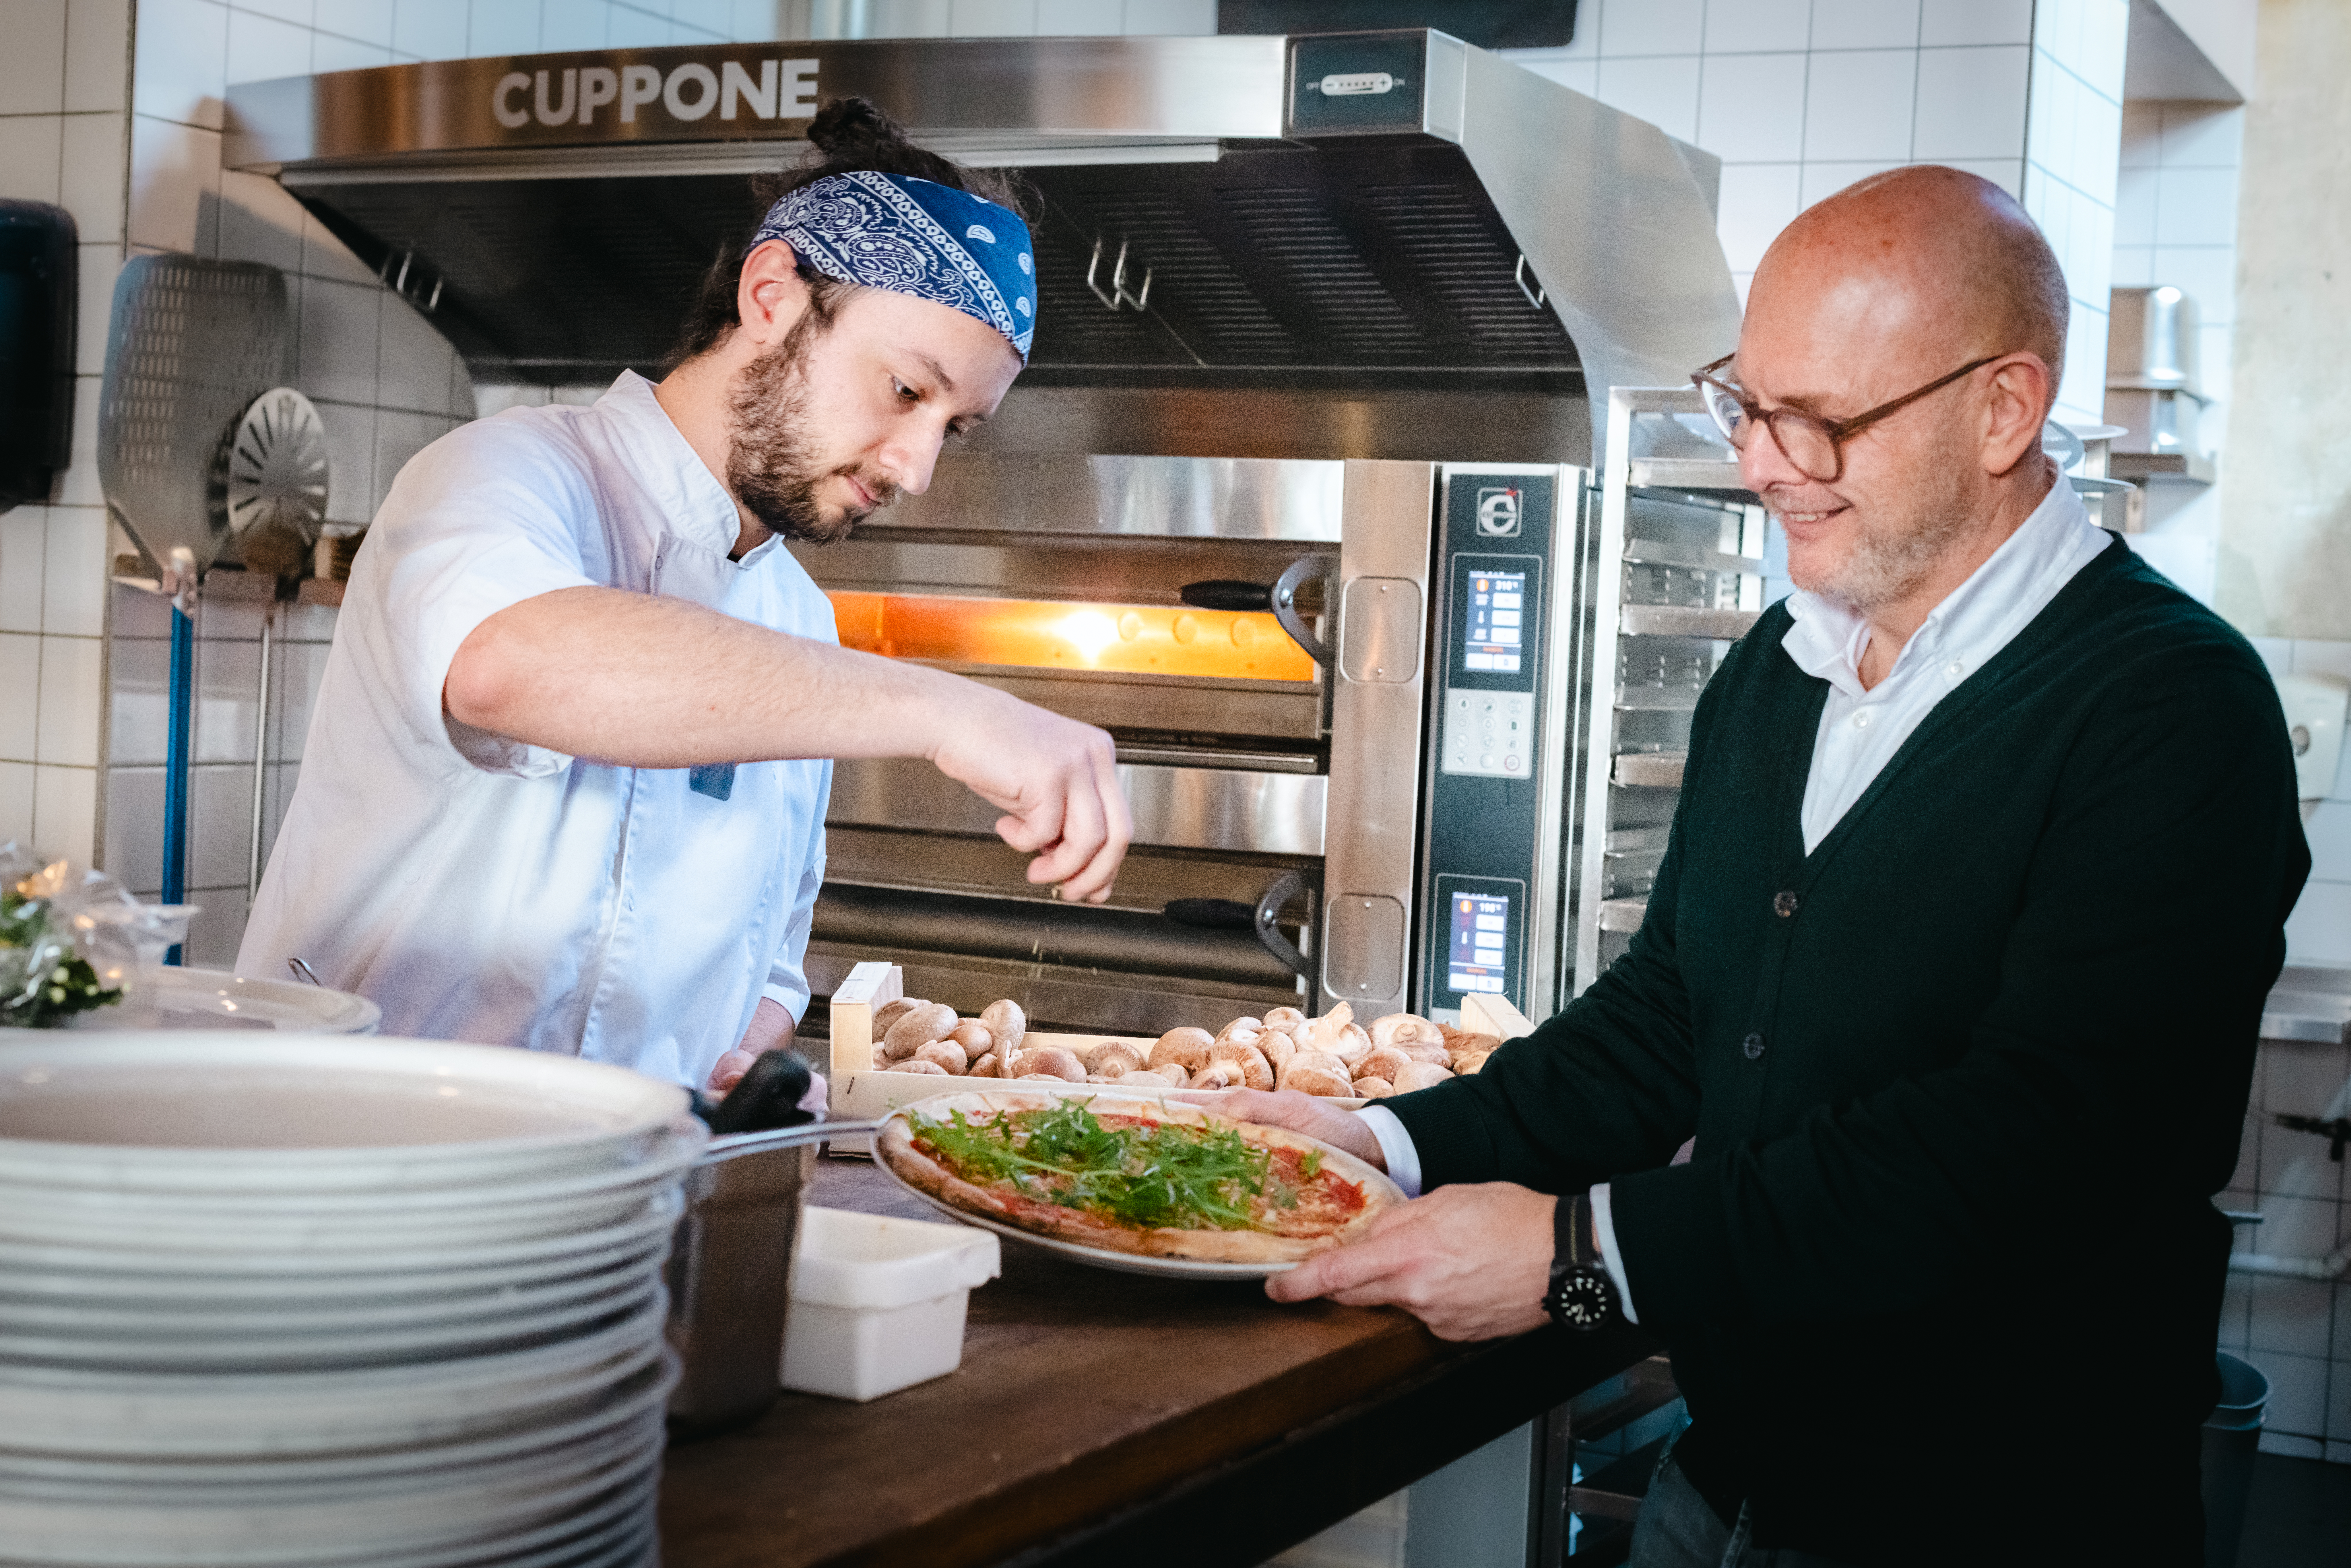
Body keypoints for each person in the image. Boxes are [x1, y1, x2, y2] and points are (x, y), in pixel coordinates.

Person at [1232, 166, 2309, 1566]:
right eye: (1745, 402)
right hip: (1729, 1484)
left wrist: (1583, 1253)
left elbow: (2025, 1147)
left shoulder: (2168, 707)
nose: (1757, 461)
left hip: (1998, 1518)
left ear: (2003, 409)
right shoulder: (1782, 665)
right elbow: (1668, 1012)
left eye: (1820, 420)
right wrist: (1388, 1141)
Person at [239, 100, 1131, 1092]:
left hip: (624, 1203)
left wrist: (749, 1041)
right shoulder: (506, 475)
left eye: (956, 427)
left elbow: (772, 952)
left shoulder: (799, 621)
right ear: (772, 295)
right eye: (907, 391)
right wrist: (945, 708)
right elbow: (508, 665)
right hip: (355, 1161)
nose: (917, 468)